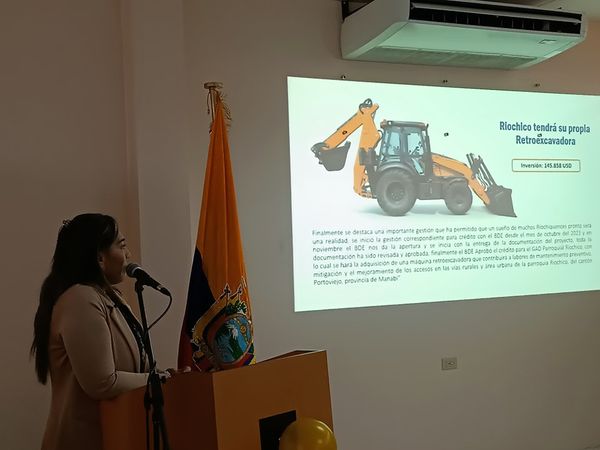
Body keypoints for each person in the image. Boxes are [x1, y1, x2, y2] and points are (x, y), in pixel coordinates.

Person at [31, 213, 150, 450]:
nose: (128, 255)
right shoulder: (80, 298)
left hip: (120, 435)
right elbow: (102, 382)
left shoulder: (112, 298)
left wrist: (167, 377)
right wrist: (158, 380)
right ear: (99, 258)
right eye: (122, 245)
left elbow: (137, 369)